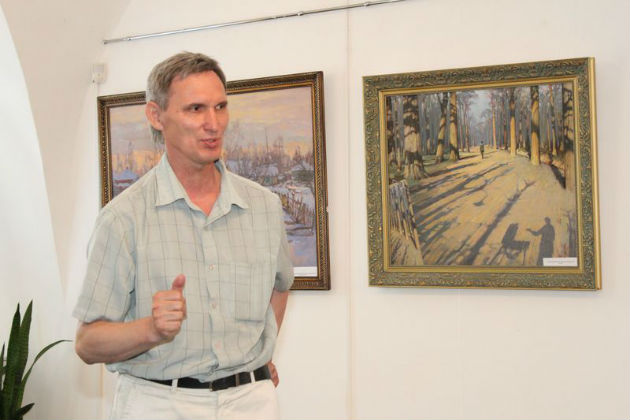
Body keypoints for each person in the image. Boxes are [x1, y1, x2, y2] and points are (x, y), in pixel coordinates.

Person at [73, 52, 294, 420]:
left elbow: (280, 286)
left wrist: (258, 355)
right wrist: (151, 329)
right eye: (195, 109)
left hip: (251, 402)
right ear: (156, 116)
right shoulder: (122, 219)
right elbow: (87, 343)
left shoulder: (265, 207)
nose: (213, 124)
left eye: (220, 107)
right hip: (159, 404)